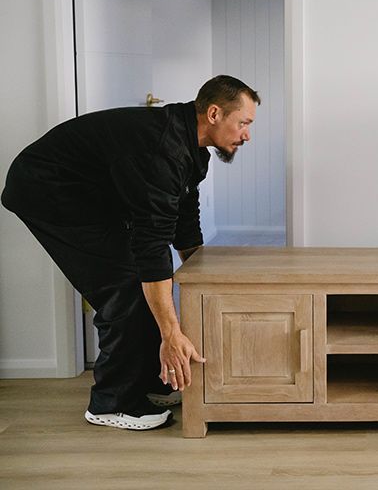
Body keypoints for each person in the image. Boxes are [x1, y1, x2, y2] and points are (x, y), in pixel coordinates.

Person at [2, 75, 259, 430]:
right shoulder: (161, 151)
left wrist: (203, 279)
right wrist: (171, 333)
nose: (247, 134)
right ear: (214, 114)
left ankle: (148, 382)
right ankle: (111, 403)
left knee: (142, 280)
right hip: (49, 191)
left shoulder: (193, 148)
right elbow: (151, 245)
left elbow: (185, 218)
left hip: (90, 193)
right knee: (123, 286)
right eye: (244, 123)